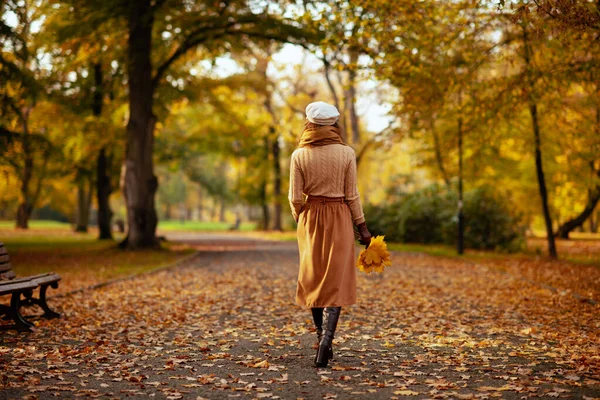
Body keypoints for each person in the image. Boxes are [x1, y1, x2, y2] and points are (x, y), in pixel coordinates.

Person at [288, 101, 372, 368]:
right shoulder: (347, 153)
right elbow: (352, 195)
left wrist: (301, 219)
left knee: (314, 278)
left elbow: (294, 198)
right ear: (334, 124)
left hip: (311, 217)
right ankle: (326, 343)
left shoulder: (299, 155)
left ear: (309, 124)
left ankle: (321, 337)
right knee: (335, 279)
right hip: (339, 217)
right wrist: (362, 227)